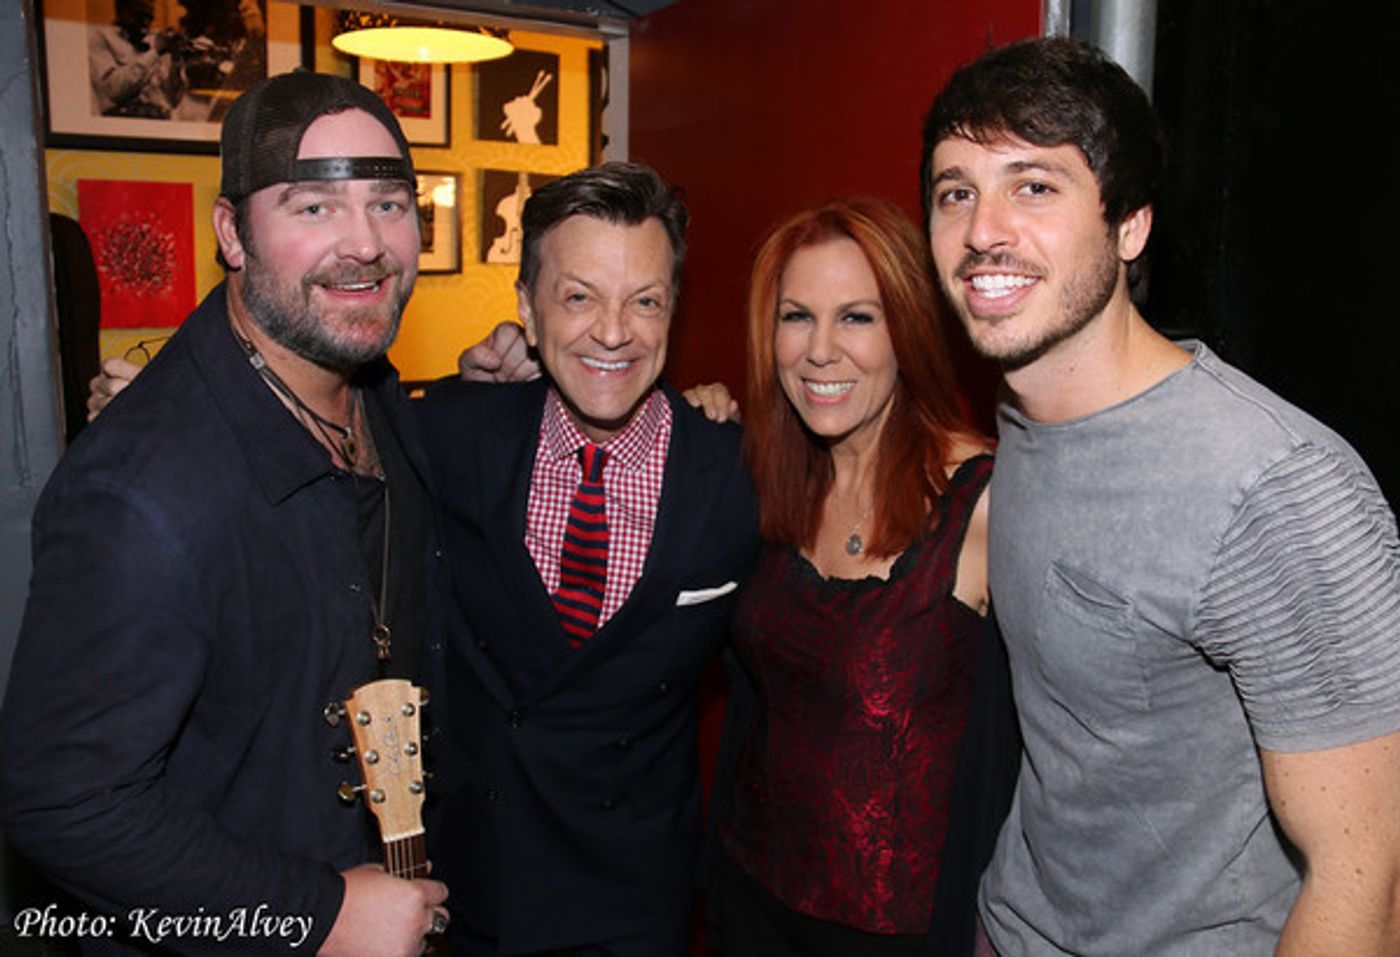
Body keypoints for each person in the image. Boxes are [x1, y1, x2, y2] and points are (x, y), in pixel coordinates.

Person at [920, 37, 1400, 955]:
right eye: (956, 191)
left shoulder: (1277, 491)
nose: (984, 229)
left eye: (1034, 185)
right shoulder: (1023, 414)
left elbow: (1364, 883)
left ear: (1129, 225)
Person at [1, 72, 450, 955]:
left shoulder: (378, 400)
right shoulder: (139, 495)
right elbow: (64, 803)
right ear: (231, 233)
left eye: (390, 203)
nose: (365, 244)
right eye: (313, 208)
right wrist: (313, 914)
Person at [419, 163, 760, 955]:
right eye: (578, 297)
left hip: (635, 902)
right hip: (472, 888)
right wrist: (156, 395)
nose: (614, 331)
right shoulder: (450, 436)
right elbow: (313, 420)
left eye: (644, 301)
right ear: (526, 313)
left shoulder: (740, 478)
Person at [705, 198, 1019, 957]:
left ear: (908, 328)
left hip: (898, 936)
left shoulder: (986, 503)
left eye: (856, 318)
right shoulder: (767, 476)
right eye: (796, 317)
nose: (818, 351)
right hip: (748, 897)